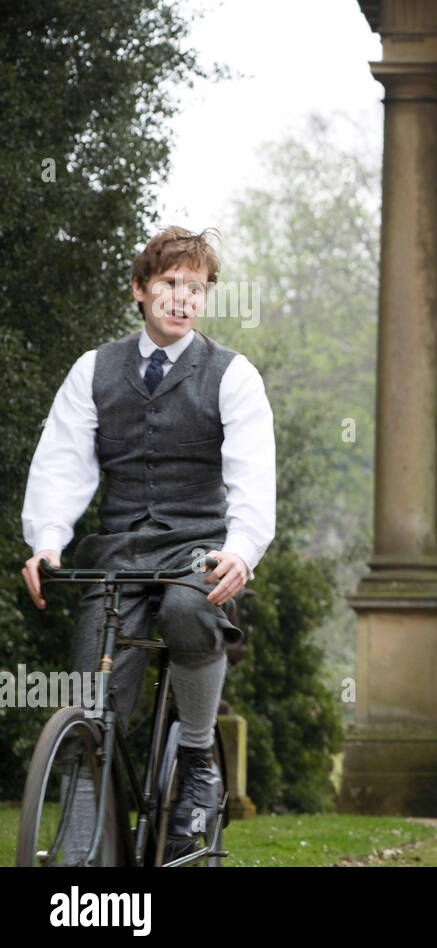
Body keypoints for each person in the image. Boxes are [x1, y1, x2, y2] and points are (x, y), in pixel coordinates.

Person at [20, 226, 275, 859]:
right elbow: (61, 463)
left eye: (197, 287)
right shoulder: (94, 371)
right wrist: (48, 541)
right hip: (117, 553)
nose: (184, 298)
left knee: (191, 612)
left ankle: (194, 758)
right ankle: (81, 858)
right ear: (140, 290)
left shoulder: (233, 375)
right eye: (169, 284)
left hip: (197, 551)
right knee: (89, 703)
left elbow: (253, 475)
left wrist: (241, 549)